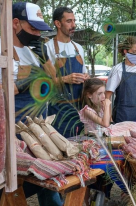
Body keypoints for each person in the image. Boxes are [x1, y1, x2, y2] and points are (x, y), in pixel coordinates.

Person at [9, 2, 63, 206]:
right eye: (33, 29)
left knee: (46, 179)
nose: (37, 34)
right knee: (11, 186)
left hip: (38, 128)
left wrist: (44, 57)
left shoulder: (34, 51)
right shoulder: (0, 48)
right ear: (16, 23)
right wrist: (28, 80)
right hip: (12, 129)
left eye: (39, 30)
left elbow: (53, 78)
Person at [45, 7, 89, 138]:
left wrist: (87, 77)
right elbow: (42, 84)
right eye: (69, 21)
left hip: (78, 110)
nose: (74, 25)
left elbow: (85, 72)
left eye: (74, 21)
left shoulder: (79, 48)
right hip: (58, 112)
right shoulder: (47, 48)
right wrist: (64, 79)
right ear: (58, 24)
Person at [105, 36, 136, 123]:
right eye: (134, 52)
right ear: (125, 51)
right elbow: (107, 96)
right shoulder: (118, 69)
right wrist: (109, 118)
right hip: (122, 114)